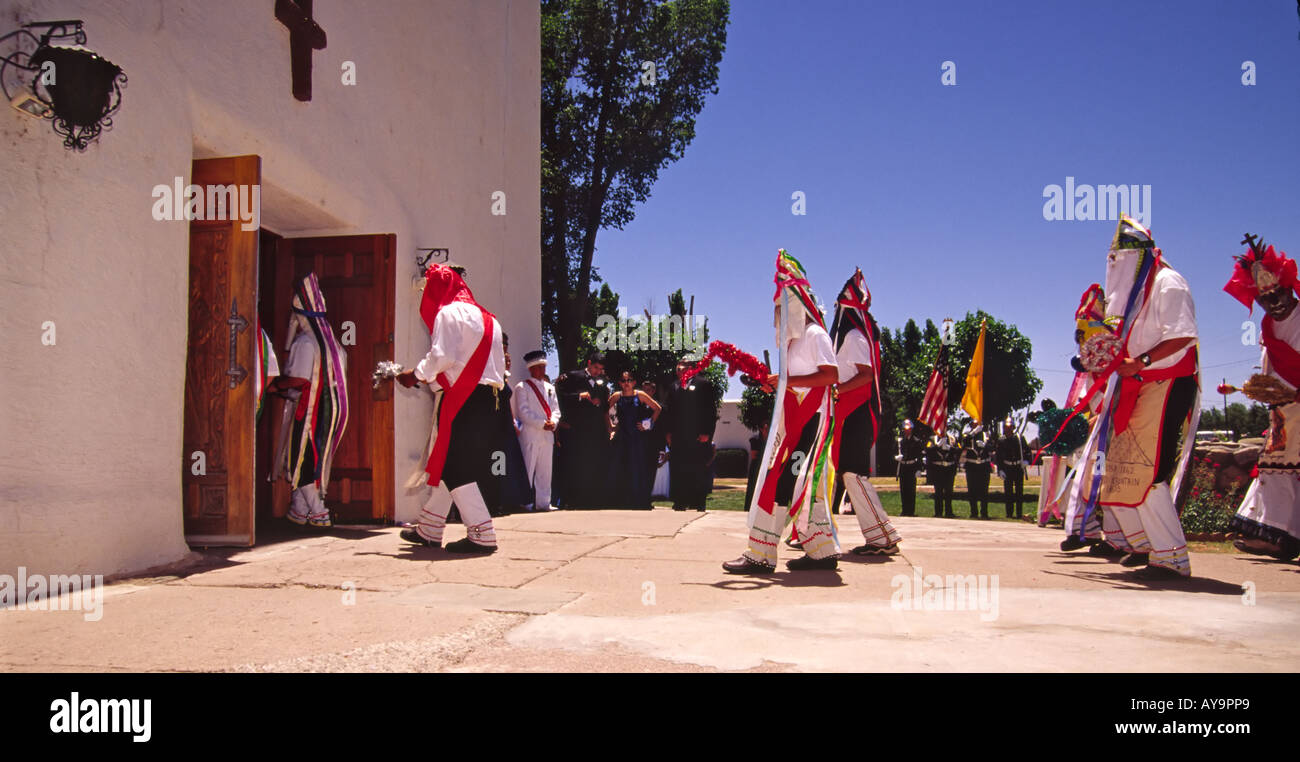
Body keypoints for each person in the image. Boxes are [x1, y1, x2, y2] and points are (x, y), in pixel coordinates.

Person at [1067, 215, 1200, 579]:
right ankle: (1143, 544)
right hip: (1137, 385)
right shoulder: (1133, 297)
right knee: (1118, 470)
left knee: (1147, 470)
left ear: (1137, 257)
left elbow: (1184, 336)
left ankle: (1171, 557)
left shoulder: (1168, 283)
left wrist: (1139, 361)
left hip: (1168, 382)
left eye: (1118, 260)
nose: (1113, 268)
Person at [724, 250, 840, 573]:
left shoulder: (816, 335)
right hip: (795, 421)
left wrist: (787, 379)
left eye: (781, 307)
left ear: (797, 306)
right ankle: (822, 551)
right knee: (802, 483)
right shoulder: (789, 345)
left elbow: (831, 376)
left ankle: (761, 555)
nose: (777, 314)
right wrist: (776, 383)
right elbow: (792, 384)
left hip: (812, 422)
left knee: (785, 480)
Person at [394, 264, 506, 554]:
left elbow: (441, 357)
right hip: (489, 400)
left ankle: (482, 533)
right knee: (451, 463)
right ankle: (429, 528)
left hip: (463, 400)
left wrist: (415, 375)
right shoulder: (490, 319)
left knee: (456, 466)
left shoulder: (448, 313)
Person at [1222, 236, 1300, 561]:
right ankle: (1279, 535)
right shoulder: (1267, 327)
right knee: (1277, 468)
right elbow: (1270, 366)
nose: (1273, 302)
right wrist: (1263, 390)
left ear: (1289, 287)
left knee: (1280, 467)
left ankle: (1282, 536)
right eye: (1265, 298)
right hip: (1283, 410)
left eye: (1277, 293)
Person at [826, 268, 901, 555]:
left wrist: (836, 390)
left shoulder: (854, 336)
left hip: (857, 413)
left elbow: (866, 376)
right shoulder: (851, 336)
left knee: (853, 475)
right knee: (848, 474)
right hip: (851, 414)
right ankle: (880, 535)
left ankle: (882, 536)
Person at [269, 272, 349, 528]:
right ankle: (299, 509)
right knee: (316, 457)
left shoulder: (306, 342)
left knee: (300, 457)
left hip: (310, 410)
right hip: (332, 409)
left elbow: (299, 380)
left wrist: (273, 386)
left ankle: (318, 510)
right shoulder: (333, 343)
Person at [555, 351, 612, 508]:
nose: (597, 372)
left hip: (594, 432)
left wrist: (607, 429)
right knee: (574, 465)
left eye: (600, 369)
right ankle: (570, 501)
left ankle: (590, 501)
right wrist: (579, 396)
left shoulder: (603, 382)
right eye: (595, 368)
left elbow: (605, 408)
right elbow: (559, 395)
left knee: (592, 465)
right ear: (588, 363)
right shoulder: (573, 376)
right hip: (575, 430)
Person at [662, 356, 717, 511]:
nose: (680, 370)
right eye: (679, 367)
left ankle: (698, 502)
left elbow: (710, 411)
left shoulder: (703, 384)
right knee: (679, 468)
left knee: (697, 469)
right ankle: (680, 501)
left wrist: (707, 433)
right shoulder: (673, 386)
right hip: (678, 437)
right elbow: (668, 411)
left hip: (698, 436)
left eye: (684, 367)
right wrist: (668, 432)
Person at [513, 349, 561, 512]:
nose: (542, 370)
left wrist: (553, 422)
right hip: (531, 434)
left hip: (547, 434)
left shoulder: (550, 387)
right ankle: (525, 502)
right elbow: (523, 411)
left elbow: (556, 409)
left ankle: (544, 502)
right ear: (531, 368)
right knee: (528, 467)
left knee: (545, 470)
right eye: (539, 367)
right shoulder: (522, 386)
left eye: (543, 367)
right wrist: (541, 423)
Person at [607, 370, 662, 508]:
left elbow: (657, 408)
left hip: (637, 437)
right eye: (624, 381)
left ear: (634, 382)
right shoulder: (616, 396)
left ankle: (639, 501)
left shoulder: (641, 395)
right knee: (620, 467)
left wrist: (648, 424)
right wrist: (610, 427)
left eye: (629, 380)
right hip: (621, 437)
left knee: (637, 468)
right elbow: (603, 410)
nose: (626, 383)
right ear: (620, 383)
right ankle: (621, 501)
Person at [994, 418, 1029, 519]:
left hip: (1018, 468)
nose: (1008, 430)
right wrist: (1000, 470)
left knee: (1019, 491)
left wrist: (1026, 461)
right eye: (1006, 428)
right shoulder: (1001, 440)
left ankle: (1019, 513)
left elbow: (1026, 451)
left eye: (1010, 428)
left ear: (1013, 428)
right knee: (1008, 492)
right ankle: (1009, 513)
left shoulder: (1020, 438)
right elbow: (999, 456)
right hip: (1007, 468)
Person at [960, 423, 993, 519]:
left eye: (977, 425)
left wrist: (985, 446)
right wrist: (973, 433)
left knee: (984, 491)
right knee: (972, 491)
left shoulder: (985, 435)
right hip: (972, 466)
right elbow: (963, 443)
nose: (975, 426)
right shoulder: (968, 435)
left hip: (984, 466)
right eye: (973, 425)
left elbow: (992, 448)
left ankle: (984, 513)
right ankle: (973, 512)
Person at [925, 430, 958, 518]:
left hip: (949, 469)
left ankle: (949, 512)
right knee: (938, 492)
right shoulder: (932, 439)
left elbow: (959, 450)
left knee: (949, 492)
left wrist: (950, 448)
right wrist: (937, 445)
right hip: (938, 470)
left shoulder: (952, 439)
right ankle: (938, 512)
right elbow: (927, 451)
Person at [895, 419, 924, 516]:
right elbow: (892, 452)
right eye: (905, 429)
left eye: (909, 429)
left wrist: (919, 469)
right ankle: (904, 510)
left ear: (911, 429)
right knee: (903, 489)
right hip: (903, 467)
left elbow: (920, 456)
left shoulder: (916, 441)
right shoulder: (900, 442)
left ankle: (911, 511)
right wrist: (895, 457)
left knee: (911, 490)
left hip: (912, 467)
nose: (907, 431)